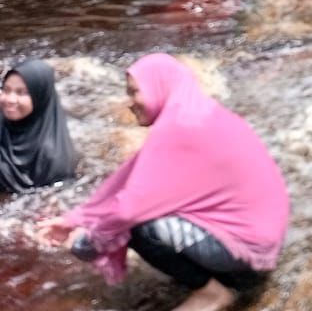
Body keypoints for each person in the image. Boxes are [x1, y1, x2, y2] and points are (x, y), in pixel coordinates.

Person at [40, 53, 290, 311]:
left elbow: (128, 209)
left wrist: (87, 242)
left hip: (244, 251)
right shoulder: (200, 114)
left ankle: (212, 294)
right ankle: (221, 278)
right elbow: (128, 177)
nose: (129, 103)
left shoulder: (179, 126)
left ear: (160, 86)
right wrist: (76, 218)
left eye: (135, 92)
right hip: (262, 244)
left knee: (138, 226)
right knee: (152, 211)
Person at [1, 60, 79, 194]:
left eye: (22, 93)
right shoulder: (3, 119)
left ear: (40, 97)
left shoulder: (53, 160)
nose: (10, 99)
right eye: (6, 90)